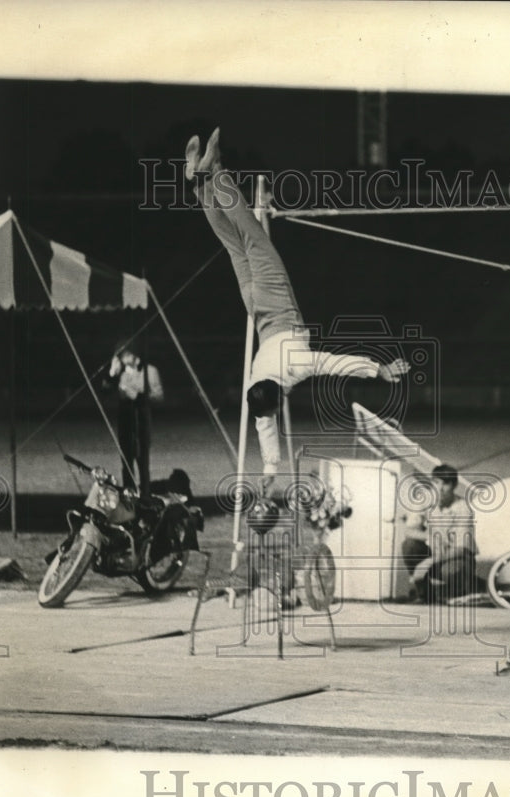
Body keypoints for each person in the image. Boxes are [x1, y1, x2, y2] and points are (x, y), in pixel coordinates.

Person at [185, 128, 410, 493]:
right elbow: (264, 425)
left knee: (250, 231)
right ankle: (198, 184)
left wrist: (379, 370)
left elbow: (334, 363)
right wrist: (270, 468)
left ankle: (216, 172)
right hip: (254, 307)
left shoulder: (293, 367)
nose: (272, 417)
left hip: (274, 304)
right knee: (232, 244)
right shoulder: (256, 384)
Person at [401, 464, 477, 603]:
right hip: (436, 554)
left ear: (454, 486)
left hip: (457, 558)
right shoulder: (425, 500)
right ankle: (424, 595)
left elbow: (461, 549)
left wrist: (427, 563)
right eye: (436, 482)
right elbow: (408, 530)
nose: (440, 489)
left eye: (446, 484)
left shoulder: (463, 508)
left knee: (451, 570)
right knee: (410, 545)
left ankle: (459, 592)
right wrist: (429, 537)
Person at [107, 340, 164, 496]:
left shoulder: (149, 371)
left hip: (142, 420)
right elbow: (104, 390)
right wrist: (112, 373)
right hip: (125, 420)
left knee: (142, 462)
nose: (123, 361)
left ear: (132, 354)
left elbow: (158, 397)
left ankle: (145, 495)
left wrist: (137, 395)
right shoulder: (121, 373)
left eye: (123, 356)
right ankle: (129, 495)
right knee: (126, 462)